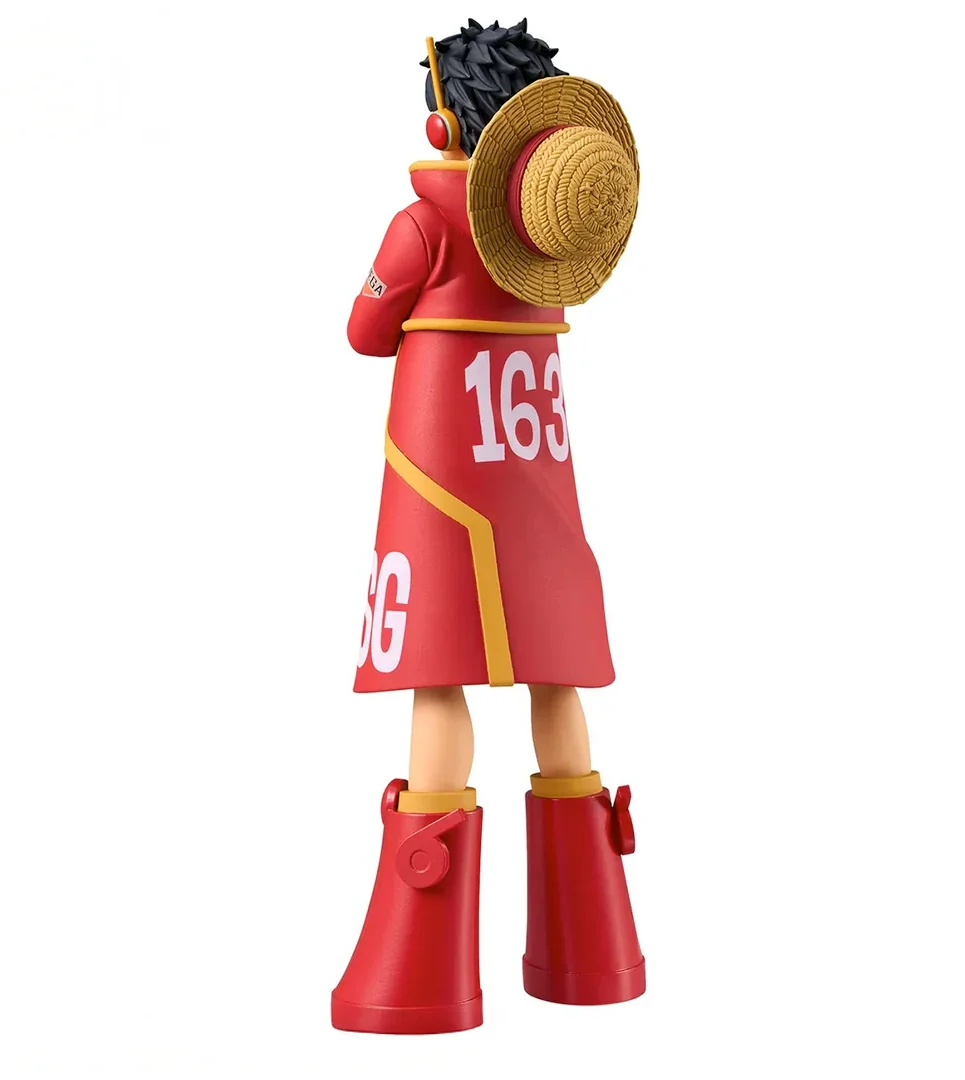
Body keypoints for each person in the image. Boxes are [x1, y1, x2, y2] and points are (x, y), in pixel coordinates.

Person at [332, 19, 644, 1034]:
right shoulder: (547, 237)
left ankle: (419, 971)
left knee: (439, 680)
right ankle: (591, 951)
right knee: (556, 680)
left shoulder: (423, 224)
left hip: (443, 480)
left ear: (444, 123)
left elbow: (364, 329)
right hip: (540, 488)